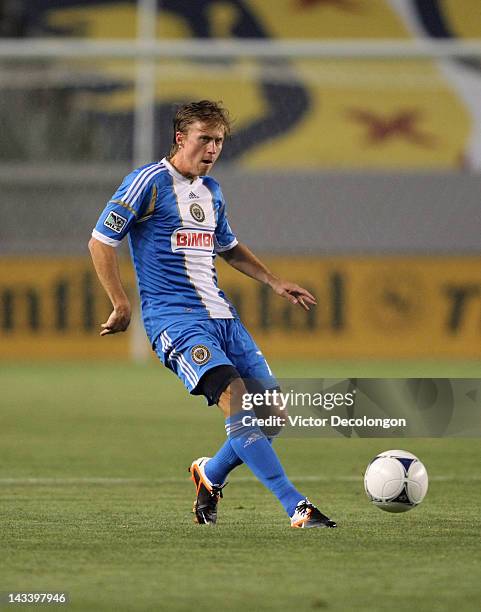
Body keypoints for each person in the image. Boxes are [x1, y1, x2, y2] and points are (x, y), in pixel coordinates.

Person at [89, 100, 336, 529]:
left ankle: (211, 473)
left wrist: (274, 281)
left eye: (219, 141)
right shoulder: (146, 182)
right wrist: (120, 301)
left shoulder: (212, 191)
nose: (213, 149)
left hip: (223, 317)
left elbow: (228, 247)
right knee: (236, 399)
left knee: (273, 416)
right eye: (205, 139)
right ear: (181, 138)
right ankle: (296, 506)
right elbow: (100, 241)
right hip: (175, 320)